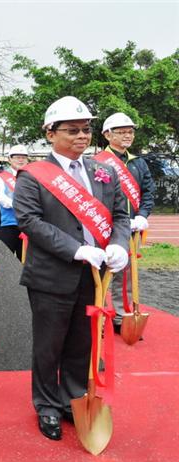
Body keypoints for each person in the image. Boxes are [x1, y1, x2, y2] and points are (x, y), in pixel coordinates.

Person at [14, 96, 130, 441]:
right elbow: (30, 221)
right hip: (52, 274)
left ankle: (72, 399)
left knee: (82, 342)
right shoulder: (33, 176)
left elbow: (120, 216)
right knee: (49, 345)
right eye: (72, 130)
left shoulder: (104, 172)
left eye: (86, 129)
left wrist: (118, 245)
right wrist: (75, 249)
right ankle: (47, 406)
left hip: (93, 276)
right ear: (50, 133)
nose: (82, 136)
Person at [98, 112, 155, 334]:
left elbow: (148, 193)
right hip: (104, 228)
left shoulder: (138, 163)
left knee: (127, 275)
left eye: (130, 131)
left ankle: (122, 316)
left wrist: (142, 216)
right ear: (107, 134)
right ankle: (99, 316)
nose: (127, 136)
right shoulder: (97, 162)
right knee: (102, 271)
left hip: (131, 230)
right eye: (121, 132)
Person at [0, 145, 28, 260]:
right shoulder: (1, 178)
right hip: (8, 224)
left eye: (23, 157)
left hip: (28, 225)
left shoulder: (31, 178)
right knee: (4, 261)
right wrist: (18, 205)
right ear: (10, 159)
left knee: (26, 260)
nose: (20, 160)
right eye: (17, 157)